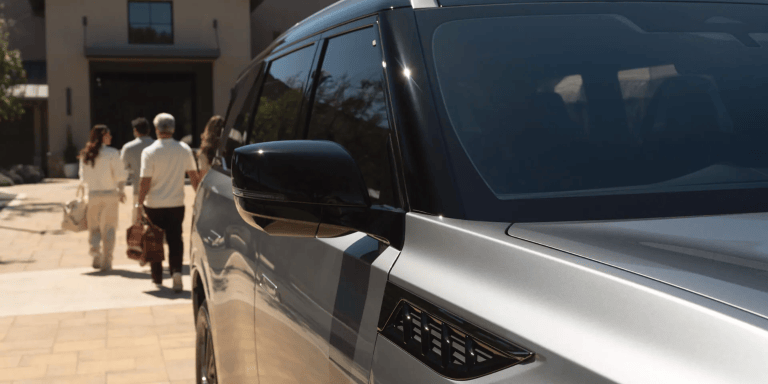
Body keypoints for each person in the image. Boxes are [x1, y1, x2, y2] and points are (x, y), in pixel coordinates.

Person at [137, 113, 201, 292]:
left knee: (154, 239)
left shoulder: (149, 151)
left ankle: (157, 277)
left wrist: (138, 204)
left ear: (156, 129)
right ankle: (177, 273)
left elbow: (145, 182)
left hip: (154, 204)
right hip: (176, 204)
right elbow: (194, 177)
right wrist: (200, 197)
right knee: (175, 239)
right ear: (173, 129)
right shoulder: (184, 149)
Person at [79, 125, 128, 272]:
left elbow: (83, 178)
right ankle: (107, 260)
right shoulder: (112, 153)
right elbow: (120, 175)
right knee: (109, 228)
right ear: (103, 137)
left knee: (94, 228)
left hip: (93, 194)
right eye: (108, 135)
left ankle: (95, 252)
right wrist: (121, 190)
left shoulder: (85, 153)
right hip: (110, 194)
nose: (111, 138)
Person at [120, 117, 155, 222]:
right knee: (157, 224)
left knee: (137, 224)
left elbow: (122, 170)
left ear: (135, 131)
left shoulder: (128, 147)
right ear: (149, 130)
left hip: (138, 190)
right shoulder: (157, 145)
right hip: (158, 190)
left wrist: (120, 190)